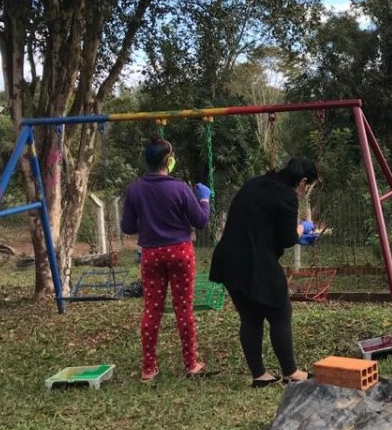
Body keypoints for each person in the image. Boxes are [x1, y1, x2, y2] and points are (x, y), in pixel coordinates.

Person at [209, 157, 316, 387]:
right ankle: (291, 372)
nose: (305, 192)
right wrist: (303, 228)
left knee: (250, 317)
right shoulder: (287, 196)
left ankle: (259, 375)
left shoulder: (255, 183)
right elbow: (287, 239)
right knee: (280, 312)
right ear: (303, 181)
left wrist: (296, 234)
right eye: (308, 187)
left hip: (228, 259)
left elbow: (265, 225)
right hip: (256, 261)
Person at [120, 137, 212, 382]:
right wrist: (204, 199)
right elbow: (201, 221)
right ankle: (191, 363)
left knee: (152, 310)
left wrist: (149, 221)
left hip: (151, 254)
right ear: (168, 161)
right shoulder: (180, 188)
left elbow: (127, 227)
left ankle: (148, 368)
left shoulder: (134, 189)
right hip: (180, 251)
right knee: (183, 308)